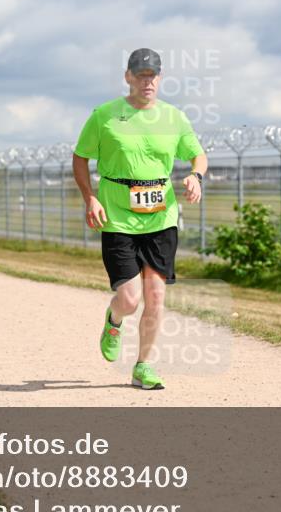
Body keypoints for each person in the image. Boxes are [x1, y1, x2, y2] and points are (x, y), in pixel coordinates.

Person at [72, 48, 207, 390]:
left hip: (161, 218)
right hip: (117, 218)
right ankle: (114, 320)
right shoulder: (104, 116)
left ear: (160, 78)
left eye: (153, 75)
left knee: (156, 297)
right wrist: (90, 198)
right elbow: (80, 158)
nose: (147, 81)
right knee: (130, 299)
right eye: (141, 75)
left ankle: (143, 365)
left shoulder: (174, 117)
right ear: (128, 77)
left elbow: (198, 155)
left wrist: (196, 176)